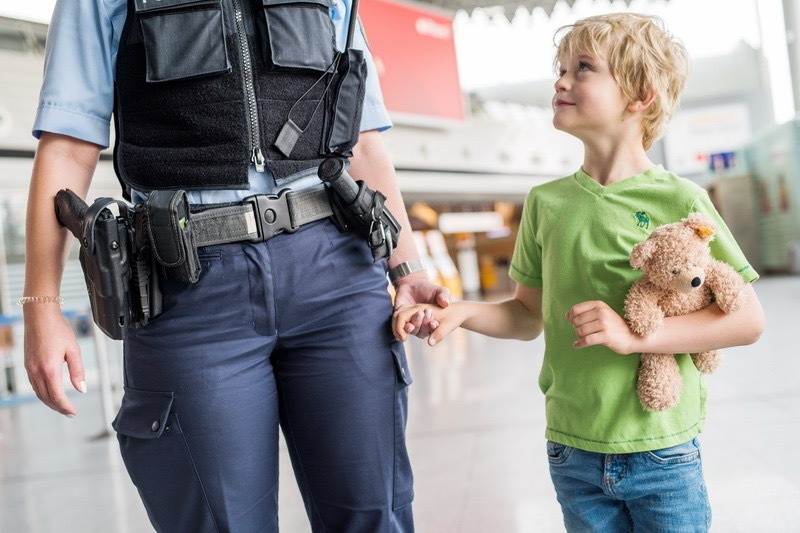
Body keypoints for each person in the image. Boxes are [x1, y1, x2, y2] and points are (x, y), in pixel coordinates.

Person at [21, 0, 448, 531]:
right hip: (188, 285)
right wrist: (41, 303)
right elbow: (66, 147)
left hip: (336, 270)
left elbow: (362, 138)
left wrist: (407, 271)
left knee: (374, 515)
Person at [394, 13, 765, 532]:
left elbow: (746, 320)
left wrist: (636, 338)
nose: (560, 80)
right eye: (560, 67)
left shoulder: (680, 200)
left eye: (583, 68)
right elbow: (526, 315)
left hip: (662, 447)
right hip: (572, 448)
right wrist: (462, 313)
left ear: (640, 96)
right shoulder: (546, 203)